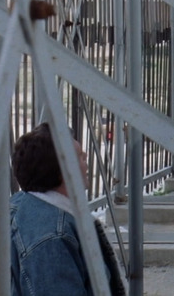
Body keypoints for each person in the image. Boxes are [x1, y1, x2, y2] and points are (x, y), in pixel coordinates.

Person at [10, 123, 125, 296]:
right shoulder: (51, 239)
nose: (86, 159)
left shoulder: (27, 202)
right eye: (79, 156)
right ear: (62, 171)